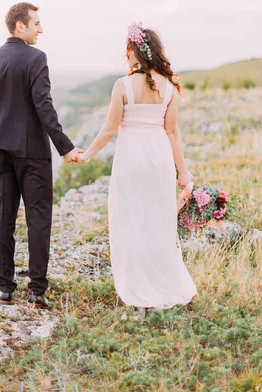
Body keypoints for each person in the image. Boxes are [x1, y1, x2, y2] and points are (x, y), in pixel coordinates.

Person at [80, 22, 197, 316]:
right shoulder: (169, 87)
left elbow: (109, 130)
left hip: (131, 160)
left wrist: (87, 155)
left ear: (135, 51)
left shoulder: (122, 85)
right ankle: (163, 284)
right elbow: (172, 132)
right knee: (158, 222)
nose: (125, 56)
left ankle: (138, 290)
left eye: (126, 50)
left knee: (130, 221)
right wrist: (182, 172)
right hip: (158, 159)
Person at [0, 2, 83, 309]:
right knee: (38, 218)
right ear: (19, 26)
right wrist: (65, 146)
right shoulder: (36, 58)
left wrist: (0, 134)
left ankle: (4, 288)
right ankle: (37, 290)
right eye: (36, 23)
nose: (41, 29)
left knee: (3, 217)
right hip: (33, 153)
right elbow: (44, 106)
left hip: (0, 148)